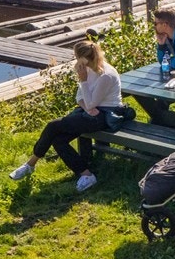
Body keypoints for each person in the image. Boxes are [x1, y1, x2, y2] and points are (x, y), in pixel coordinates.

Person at [9, 39, 125, 192]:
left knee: (53, 125)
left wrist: (83, 82)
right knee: (58, 140)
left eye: (76, 57)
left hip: (106, 115)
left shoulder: (105, 75)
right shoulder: (88, 69)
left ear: (83, 58)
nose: (75, 61)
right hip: (90, 112)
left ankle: (31, 164)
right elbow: (80, 98)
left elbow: (91, 101)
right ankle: (86, 174)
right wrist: (87, 107)